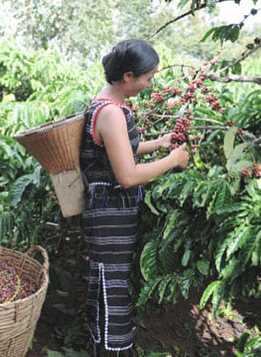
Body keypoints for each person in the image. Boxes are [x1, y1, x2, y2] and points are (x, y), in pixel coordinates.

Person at [80, 39, 189, 355]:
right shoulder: (112, 113)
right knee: (110, 285)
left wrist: (159, 143)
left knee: (108, 281)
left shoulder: (101, 104)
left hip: (108, 210)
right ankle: (112, 351)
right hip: (110, 212)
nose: (149, 84)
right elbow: (126, 175)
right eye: (147, 77)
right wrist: (173, 160)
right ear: (128, 76)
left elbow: (115, 150)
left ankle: (107, 347)